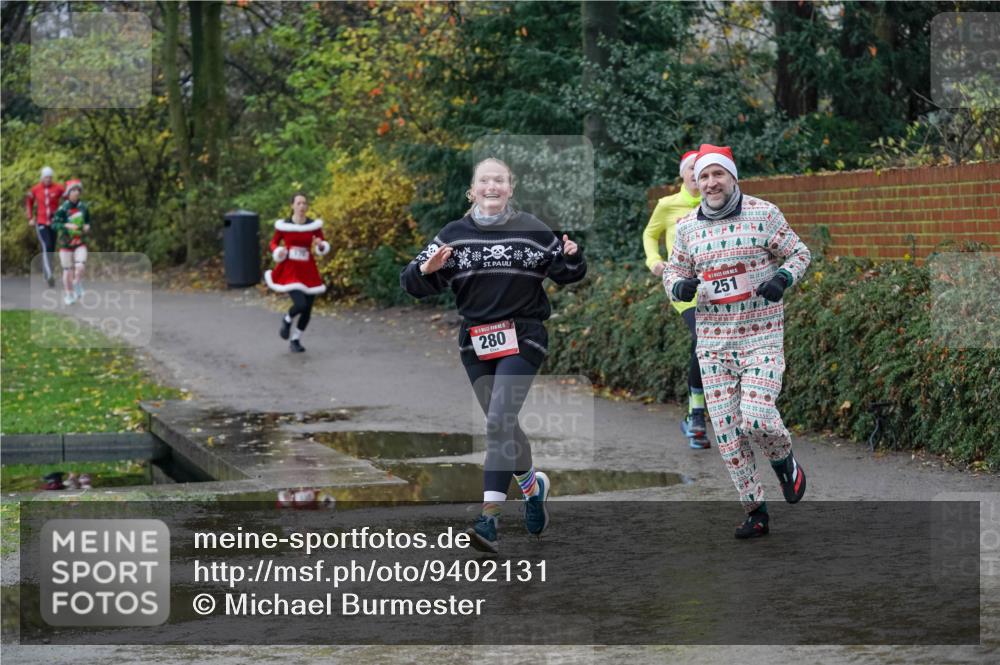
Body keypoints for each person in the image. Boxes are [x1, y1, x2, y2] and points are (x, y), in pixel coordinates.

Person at [400, 157, 587, 554]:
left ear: (510, 188)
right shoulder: (453, 234)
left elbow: (567, 271)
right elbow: (412, 283)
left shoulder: (532, 230)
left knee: (498, 421)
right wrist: (427, 268)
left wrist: (571, 255)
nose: (491, 186)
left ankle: (489, 519)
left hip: (524, 335)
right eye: (484, 180)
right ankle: (533, 487)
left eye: (499, 180)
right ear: (472, 189)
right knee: (503, 426)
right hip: (476, 342)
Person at [663, 144, 811, 539]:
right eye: (703, 176)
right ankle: (756, 512)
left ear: (732, 177)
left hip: (760, 335)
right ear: (696, 183)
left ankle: (785, 464)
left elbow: (799, 253)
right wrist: (679, 285)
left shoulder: (763, 214)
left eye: (718, 175)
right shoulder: (687, 228)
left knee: (757, 417)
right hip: (712, 344)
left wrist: (782, 278)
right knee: (728, 436)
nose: (710, 182)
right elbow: (673, 272)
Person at [643, 150, 708, 449]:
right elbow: (649, 234)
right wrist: (654, 260)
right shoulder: (668, 205)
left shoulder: (716, 201)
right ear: (682, 174)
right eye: (692, 169)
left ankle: (728, 411)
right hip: (683, 287)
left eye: (703, 168)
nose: (697, 174)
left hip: (718, 285)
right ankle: (696, 413)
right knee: (701, 335)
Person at [264, 192, 330, 353]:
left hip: (308, 269)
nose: (302, 206)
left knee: (307, 308)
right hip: (290, 270)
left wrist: (321, 245)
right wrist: (278, 250)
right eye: (299, 203)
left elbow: (322, 244)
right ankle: (287, 319)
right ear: (292, 206)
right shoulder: (284, 225)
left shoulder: (313, 226)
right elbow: (273, 242)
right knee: (300, 304)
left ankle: (295, 339)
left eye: (304, 203)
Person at [51, 179, 91, 306]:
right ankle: (69, 295)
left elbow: (88, 221)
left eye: (78, 190)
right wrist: (66, 225)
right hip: (66, 244)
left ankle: (77, 283)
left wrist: (87, 226)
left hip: (80, 242)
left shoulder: (83, 207)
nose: (76, 192)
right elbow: (54, 225)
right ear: (68, 193)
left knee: (80, 266)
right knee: (67, 270)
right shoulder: (63, 209)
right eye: (73, 190)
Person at [25, 166, 65, 287]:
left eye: (50, 177)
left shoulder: (58, 188)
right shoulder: (36, 189)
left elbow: (68, 198)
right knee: (46, 245)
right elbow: (29, 202)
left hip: (54, 222)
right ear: (42, 178)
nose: (48, 179)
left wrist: (64, 213)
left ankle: (47, 271)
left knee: (51, 248)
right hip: (41, 222)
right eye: (46, 177)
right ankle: (49, 275)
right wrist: (30, 217)